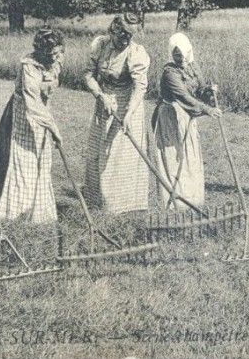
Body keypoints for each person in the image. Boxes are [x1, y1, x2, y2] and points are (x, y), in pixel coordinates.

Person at [0, 27, 65, 223]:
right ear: (41, 52)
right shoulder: (29, 66)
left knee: (42, 160)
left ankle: (40, 213)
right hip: (22, 116)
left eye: (59, 51)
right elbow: (32, 102)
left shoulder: (56, 61)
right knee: (25, 161)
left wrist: (48, 123)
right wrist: (53, 127)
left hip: (42, 114)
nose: (56, 57)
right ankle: (16, 213)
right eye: (51, 53)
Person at [83, 13, 151, 214]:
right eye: (123, 34)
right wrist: (100, 95)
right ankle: (96, 201)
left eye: (131, 35)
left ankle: (123, 205)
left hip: (128, 104)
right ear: (113, 30)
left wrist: (128, 114)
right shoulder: (100, 45)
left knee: (119, 154)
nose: (126, 39)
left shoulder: (136, 52)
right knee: (97, 150)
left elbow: (140, 86)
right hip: (104, 102)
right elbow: (88, 74)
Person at [152, 32, 222, 210]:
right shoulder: (169, 72)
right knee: (174, 157)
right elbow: (183, 96)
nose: (181, 59)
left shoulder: (193, 66)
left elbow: (199, 90)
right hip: (171, 115)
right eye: (177, 55)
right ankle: (174, 200)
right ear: (171, 54)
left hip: (187, 117)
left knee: (189, 154)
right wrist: (206, 109)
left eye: (184, 54)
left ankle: (192, 197)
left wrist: (209, 91)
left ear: (189, 52)